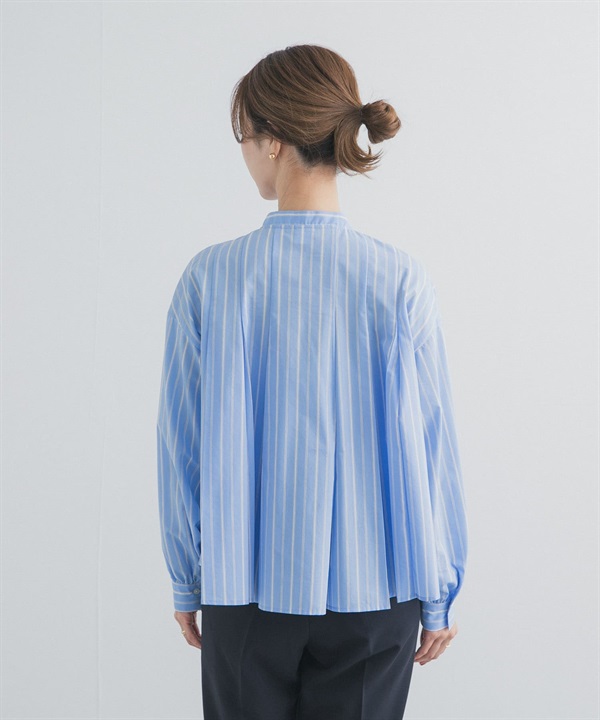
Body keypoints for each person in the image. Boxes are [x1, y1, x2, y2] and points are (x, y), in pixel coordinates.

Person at [156, 44, 468, 720]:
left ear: (271, 139)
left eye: (243, 137)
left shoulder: (211, 278)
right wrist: (440, 589)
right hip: (378, 593)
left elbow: (181, 447)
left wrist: (187, 577)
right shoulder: (400, 279)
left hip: (242, 587)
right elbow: (432, 447)